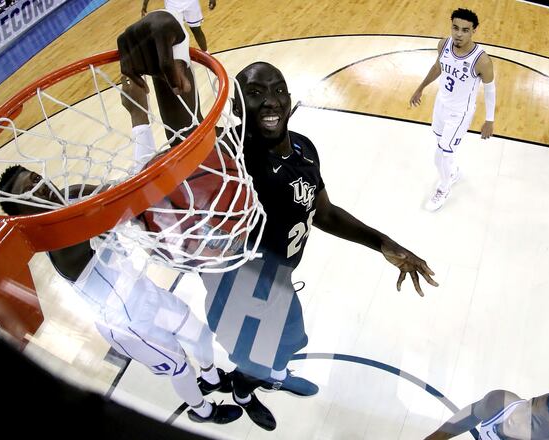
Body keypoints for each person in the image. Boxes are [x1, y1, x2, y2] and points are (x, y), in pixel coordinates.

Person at [117, 11, 439, 431]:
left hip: (281, 279)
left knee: (289, 344)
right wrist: (169, 66)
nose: (270, 100)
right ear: (235, 106)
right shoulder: (230, 158)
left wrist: (384, 243)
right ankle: (244, 390)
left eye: (277, 90)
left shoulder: (303, 148)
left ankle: (274, 377)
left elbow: (323, 212)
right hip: (238, 288)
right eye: (254, 92)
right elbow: (186, 136)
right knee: (255, 356)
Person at [0, 78, 241, 426]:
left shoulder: (71, 194)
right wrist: (140, 126)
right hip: (125, 322)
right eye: (28, 191)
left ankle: (213, 378)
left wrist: (134, 186)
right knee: (178, 365)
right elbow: (114, 209)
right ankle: (203, 411)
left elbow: (120, 191)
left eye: (34, 177)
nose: (40, 185)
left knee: (199, 334)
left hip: (144, 292)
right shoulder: (58, 241)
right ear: (23, 212)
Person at [409, 8, 496, 211]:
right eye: (455, 28)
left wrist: (489, 120)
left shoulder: (482, 60)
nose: (458, 33)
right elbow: (437, 68)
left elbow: (491, 91)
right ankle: (453, 172)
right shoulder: (444, 44)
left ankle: (444, 187)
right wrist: (420, 88)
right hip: (441, 105)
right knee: (441, 144)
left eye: (465, 30)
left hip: (460, 114)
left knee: (440, 155)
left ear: (474, 30)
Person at [424, 386, 549, 439]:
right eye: (529, 404)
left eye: (531, 423)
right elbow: (473, 414)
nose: (516, 418)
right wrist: (436, 437)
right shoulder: (499, 403)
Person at [141, 0, 216, 52]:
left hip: (191, 3)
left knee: (196, 29)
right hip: (172, 4)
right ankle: (180, 60)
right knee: (175, 33)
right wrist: (144, 5)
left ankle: (206, 54)